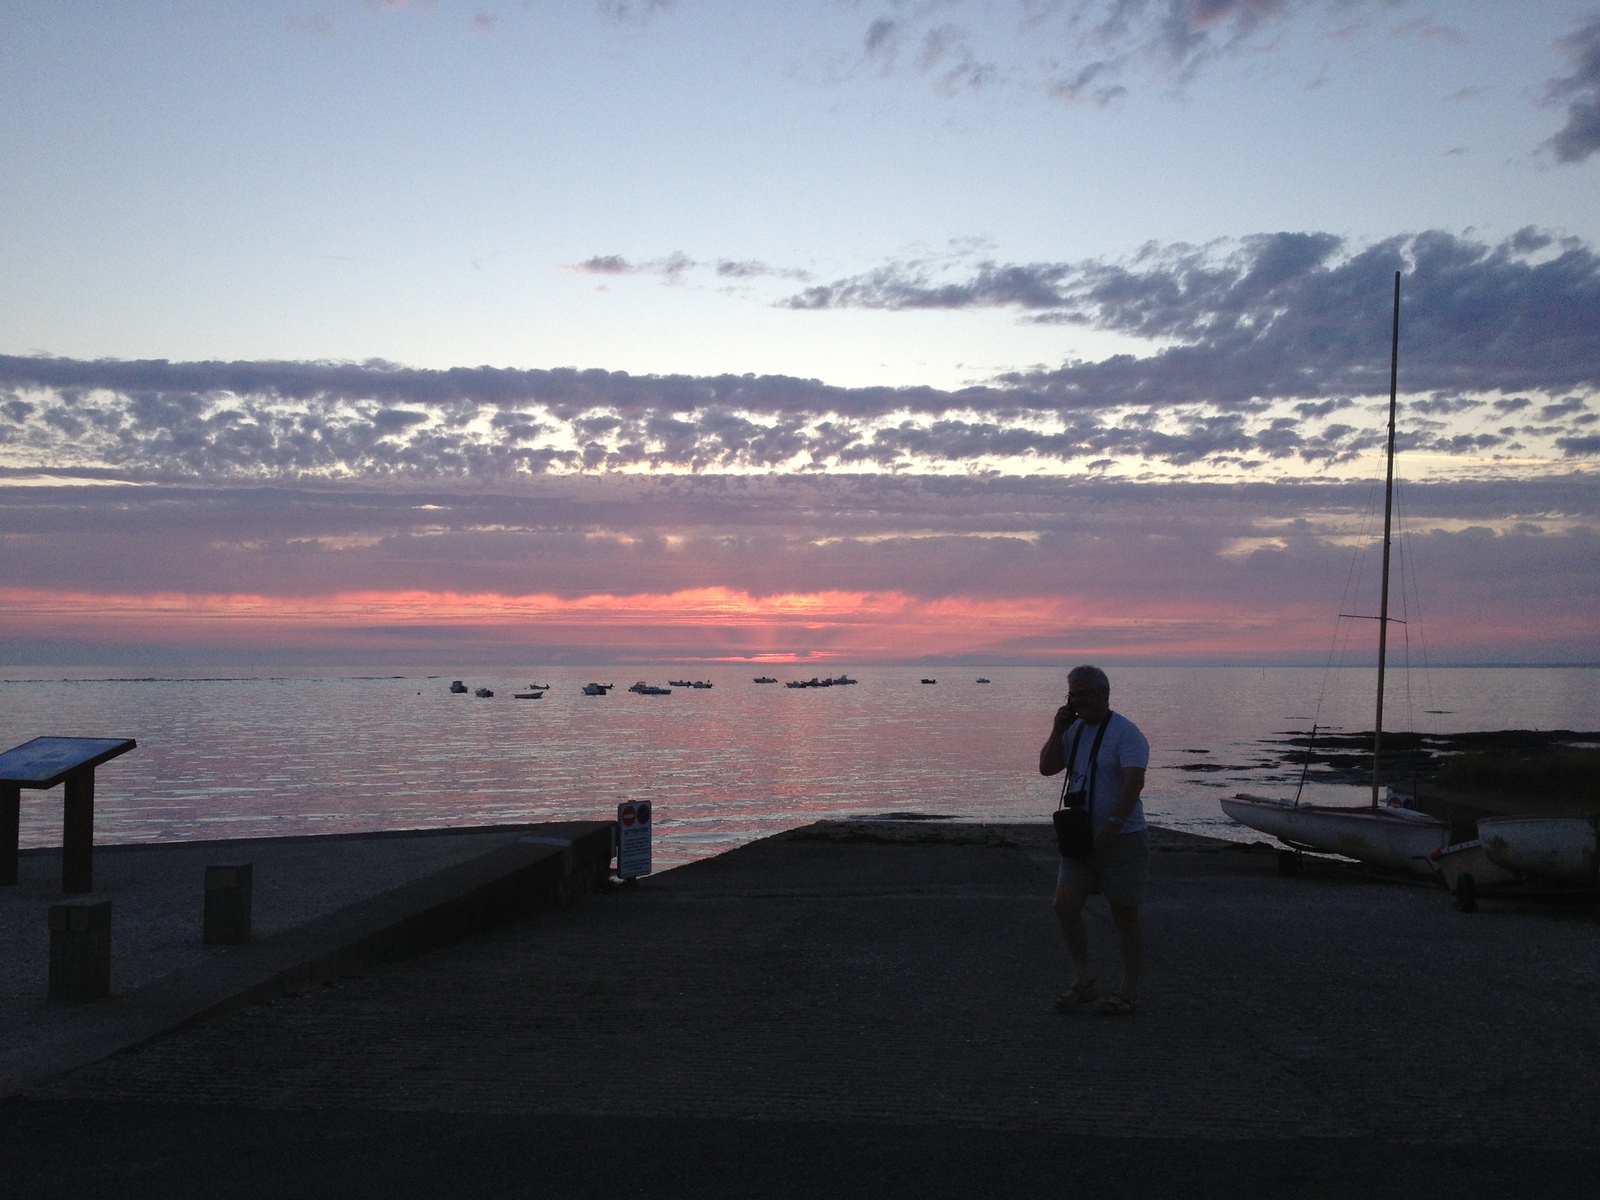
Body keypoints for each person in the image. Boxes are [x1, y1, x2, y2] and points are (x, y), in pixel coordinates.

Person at [1038, 664, 1150, 1016]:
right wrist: (1058, 729)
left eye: (1085, 693)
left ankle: (1128, 992)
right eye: (1073, 694)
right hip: (1079, 839)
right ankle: (1083, 979)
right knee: (1064, 905)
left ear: (1105, 693)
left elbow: (1134, 782)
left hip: (1122, 838)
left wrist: (1114, 823)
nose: (1079, 700)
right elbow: (1047, 767)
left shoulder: (1126, 733)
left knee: (1124, 918)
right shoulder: (1074, 731)